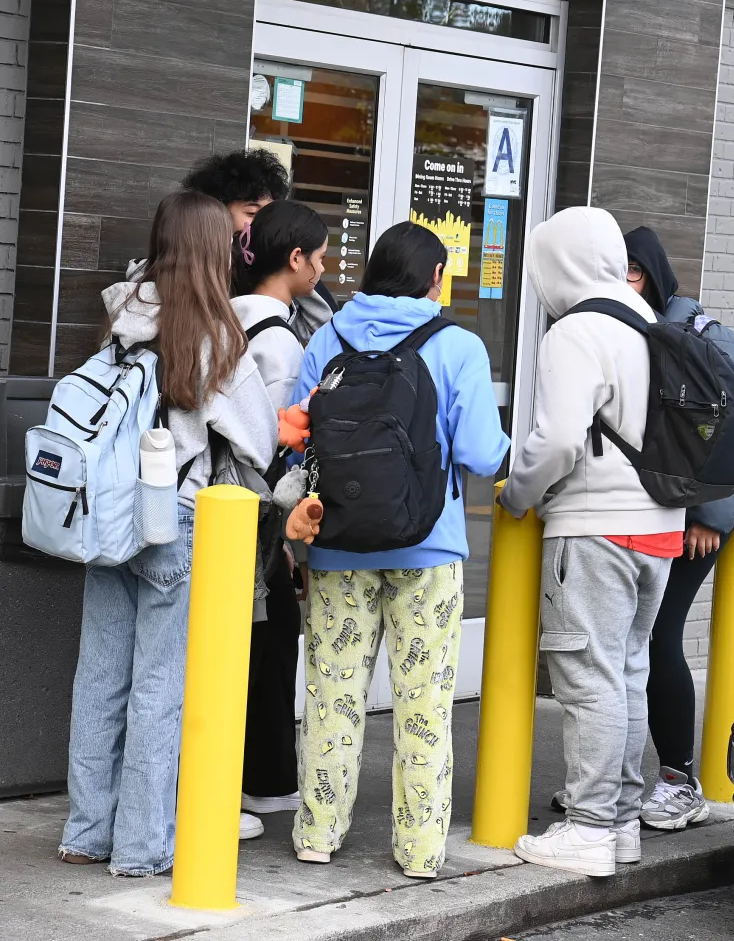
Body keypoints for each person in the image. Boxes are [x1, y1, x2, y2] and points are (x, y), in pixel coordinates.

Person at [59, 191, 278, 875]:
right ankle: (142, 845)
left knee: (100, 674)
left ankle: (86, 830)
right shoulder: (214, 333)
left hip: (109, 515)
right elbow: (258, 440)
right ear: (217, 251)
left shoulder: (124, 313)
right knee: (160, 684)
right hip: (174, 521)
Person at [289, 221, 509, 878]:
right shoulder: (458, 346)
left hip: (335, 543)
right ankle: (418, 850)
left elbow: (296, 434)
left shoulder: (327, 338)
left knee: (332, 695)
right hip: (428, 549)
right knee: (424, 704)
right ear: (436, 277)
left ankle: (317, 833)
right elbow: (480, 451)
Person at [499, 207, 685, 878]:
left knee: (589, 679)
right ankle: (620, 824)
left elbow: (555, 441)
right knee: (627, 672)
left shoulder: (576, 331)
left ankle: (587, 826)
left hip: (595, 524)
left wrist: (518, 494)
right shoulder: (649, 323)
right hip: (659, 524)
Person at [624, 226, 734, 830]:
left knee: (657, 639)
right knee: (627, 643)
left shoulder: (698, 334)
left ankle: (679, 779)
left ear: (638, 273)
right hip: (650, 510)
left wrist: (710, 515)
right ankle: (620, 780)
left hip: (695, 517)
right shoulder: (638, 329)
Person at [230, 200, 328, 833]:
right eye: (318, 258)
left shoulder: (229, 321)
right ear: (293, 259)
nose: (323, 270)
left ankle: (260, 782)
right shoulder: (280, 346)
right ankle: (255, 784)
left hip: (221, 513)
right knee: (261, 647)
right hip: (254, 521)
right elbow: (265, 444)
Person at [182, 149, 337, 335]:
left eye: (270, 216)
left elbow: (322, 324)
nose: (261, 225)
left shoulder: (273, 269)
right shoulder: (191, 270)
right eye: (252, 214)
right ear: (216, 213)